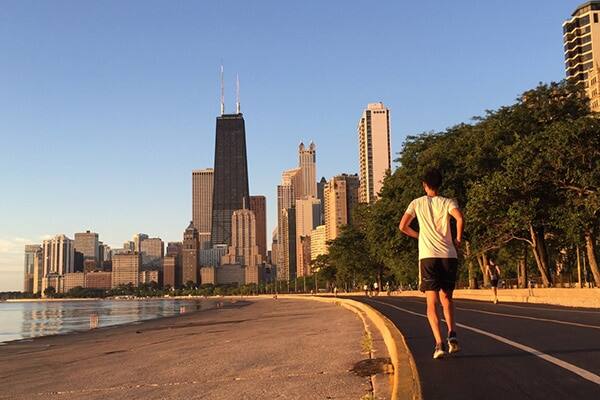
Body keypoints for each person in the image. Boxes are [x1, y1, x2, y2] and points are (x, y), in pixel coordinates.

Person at [399, 168, 464, 359]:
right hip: (448, 255)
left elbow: (403, 226)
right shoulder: (448, 202)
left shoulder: (416, 203)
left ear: (424, 185)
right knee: (447, 298)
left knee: (431, 303)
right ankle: (452, 333)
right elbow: (459, 218)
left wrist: (419, 236)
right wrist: (458, 239)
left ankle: (439, 344)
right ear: (440, 184)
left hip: (428, 256)